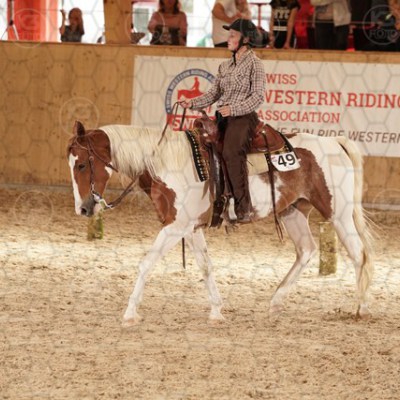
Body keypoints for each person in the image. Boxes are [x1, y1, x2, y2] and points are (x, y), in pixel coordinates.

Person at [181, 19, 266, 223]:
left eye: (233, 35)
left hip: (243, 118)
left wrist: (234, 109)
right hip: (223, 116)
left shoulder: (256, 64)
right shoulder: (225, 66)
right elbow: (213, 93)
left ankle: (243, 207)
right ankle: (215, 199)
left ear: (246, 39)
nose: (228, 39)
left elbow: (258, 96)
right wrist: (192, 103)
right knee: (202, 146)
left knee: (231, 152)